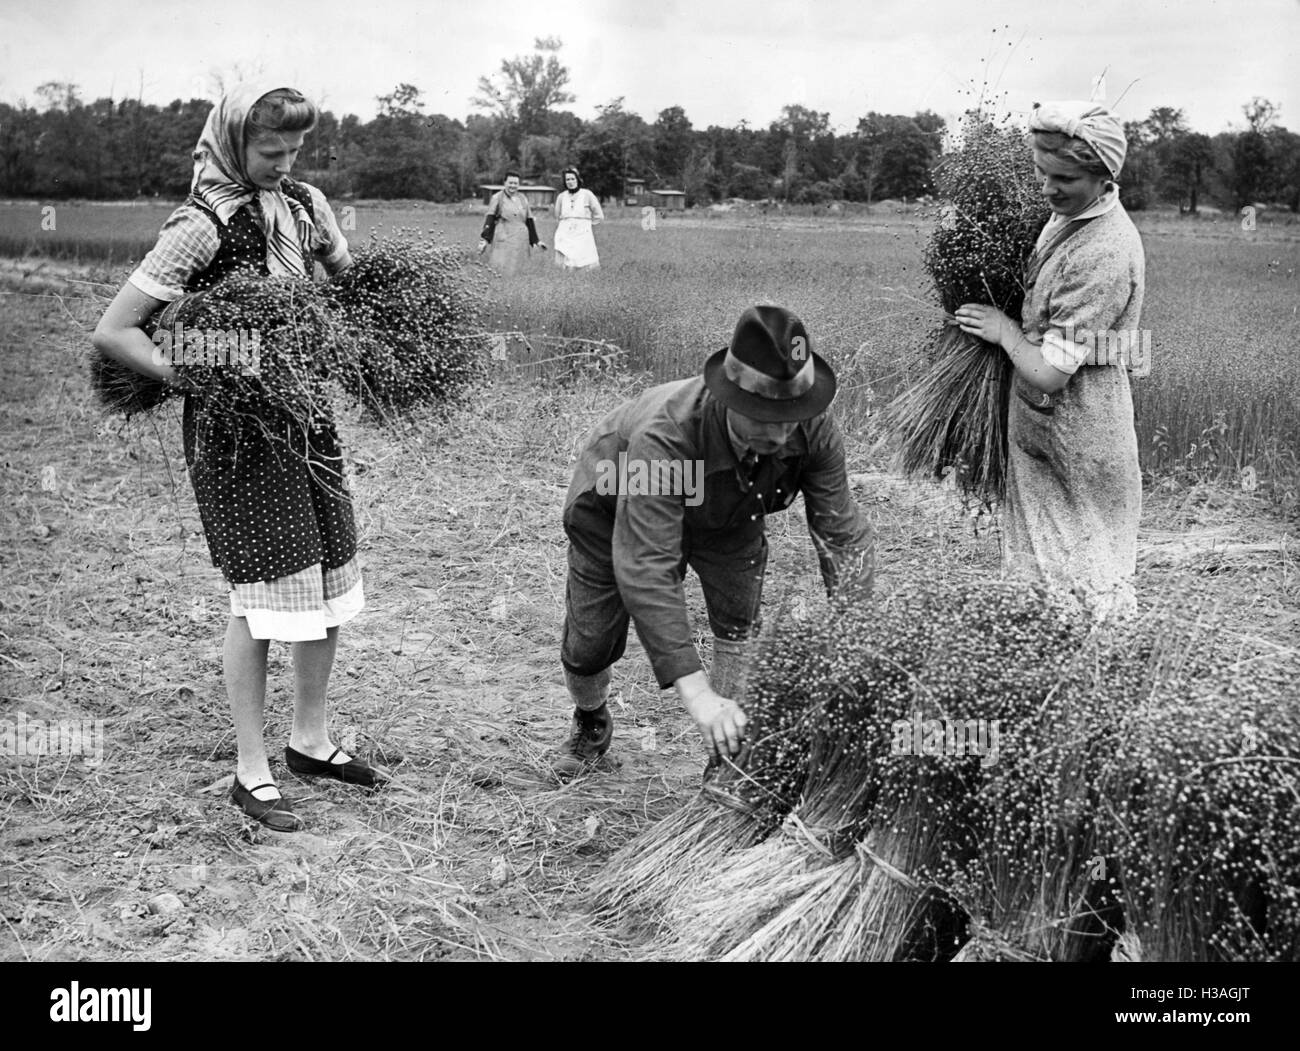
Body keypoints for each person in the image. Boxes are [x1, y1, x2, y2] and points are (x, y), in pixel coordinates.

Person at [92, 83, 386, 833]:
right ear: (232, 144)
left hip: (305, 414)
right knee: (261, 594)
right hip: (238, 431)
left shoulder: (307, 204)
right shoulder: (202, 223)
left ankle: (310, 741)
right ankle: (250, 770)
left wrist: (363, 324)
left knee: (327, 567)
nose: (284, 164)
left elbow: (346, 282)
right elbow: (118, 331)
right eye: (270, 151)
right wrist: (198, 372)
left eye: (294, 151)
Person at [555, 305, 875, 776]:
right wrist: (698, 694)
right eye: (765, 417)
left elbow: (842, 534)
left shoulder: (811, 428)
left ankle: (728, 757)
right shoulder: (668, 434)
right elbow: (647, 563)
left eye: (792, 416)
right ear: (729, 398)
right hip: (614, 506)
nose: (782, 432)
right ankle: (590, 716)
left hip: (730, 513)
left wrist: (858, 635)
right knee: (590, 644)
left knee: (738, 626)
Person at [955, 101, 1144, 621]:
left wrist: (1004, 331)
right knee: (1042, 576)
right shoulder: (1070, 218)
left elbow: (1050, 373)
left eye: (1063, 178)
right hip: (1046, 428)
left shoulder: (1103, 253)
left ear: (1104, 177)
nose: (1047, 189)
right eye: (1042, 174)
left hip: (1082, 429)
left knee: (1085, 584)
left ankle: (1095, 685)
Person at [478, 171, 545, 273]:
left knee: (520, 271)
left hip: (521, 239)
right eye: (510, 183)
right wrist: (485, 239)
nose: (513, 186)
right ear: (504, 183)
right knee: (501, 269)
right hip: (504, 237)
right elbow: (490, 218)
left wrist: (536, 241)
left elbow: (529, 220)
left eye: (515, 183)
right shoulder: (497, 198)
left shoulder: (523, 198)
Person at [551, 166, 603, 269]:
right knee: (564, 257)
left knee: (582, 260)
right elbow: (557, 216)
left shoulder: (587, 194)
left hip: (582, 232)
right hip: (565, 231)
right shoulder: (561, 196)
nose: (570, 182)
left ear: (578, 179)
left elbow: (599, 215)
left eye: (572, 179)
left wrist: (587, 225)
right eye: (567, 179)